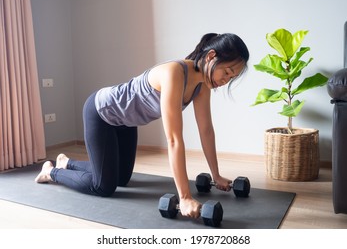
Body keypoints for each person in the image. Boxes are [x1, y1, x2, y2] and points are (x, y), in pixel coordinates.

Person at [35, 33, 249, 219]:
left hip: (127, 123)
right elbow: (174, 139)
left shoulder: (202, 86)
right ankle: (52, 171)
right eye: (227, 72)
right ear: (211, 56)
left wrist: (216, 175)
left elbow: (206, 131)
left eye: (233, 77)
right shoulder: (174, 72)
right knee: (103, 187)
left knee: (121, 179)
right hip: (101, 112)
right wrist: (184, 197)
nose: (226, 80)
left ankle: (67, 162)